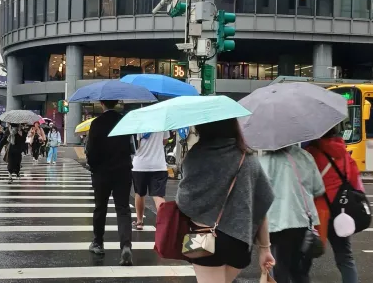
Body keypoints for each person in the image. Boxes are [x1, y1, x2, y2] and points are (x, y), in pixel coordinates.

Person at [176, 118, 275, 283]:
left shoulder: (195, 156)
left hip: (203, 237)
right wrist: (265, 249)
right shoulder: (248, 158)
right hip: (239, 241)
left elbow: (184, 201)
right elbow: (260, 205)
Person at [259, 145, 325, 283]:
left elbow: (259, 193)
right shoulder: (306, 156)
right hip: (305, 221)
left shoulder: (265, 160)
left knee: (280, 270)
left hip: (277, 223)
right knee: (300, 271)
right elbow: (318, 189)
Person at [306, 127, 361, 283]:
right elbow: (354, 180)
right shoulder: (343, 152)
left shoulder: (311, 153)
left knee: (307, 256)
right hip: (341, 210)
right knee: (345, 257)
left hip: (318, 212)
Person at [86, 100, 133, 266]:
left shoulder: (96, 123)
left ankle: (98, 242)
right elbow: (131, 148)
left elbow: (91, 151)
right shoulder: (124, 121)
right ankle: (126, 246)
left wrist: (93, 166)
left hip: (101, 173)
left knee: (100, 207)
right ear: (118, 103)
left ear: (101, 103)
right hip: (123, 171)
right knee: (123, 209)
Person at [131, 131, 170, 230]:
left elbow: (136, 144)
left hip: (140, 165)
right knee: (158, 195)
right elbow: (165, 140)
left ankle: (139, 222)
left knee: (139, 193)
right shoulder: (162, 121)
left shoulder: (138, 123)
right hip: (159, 165)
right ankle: (165, 225)